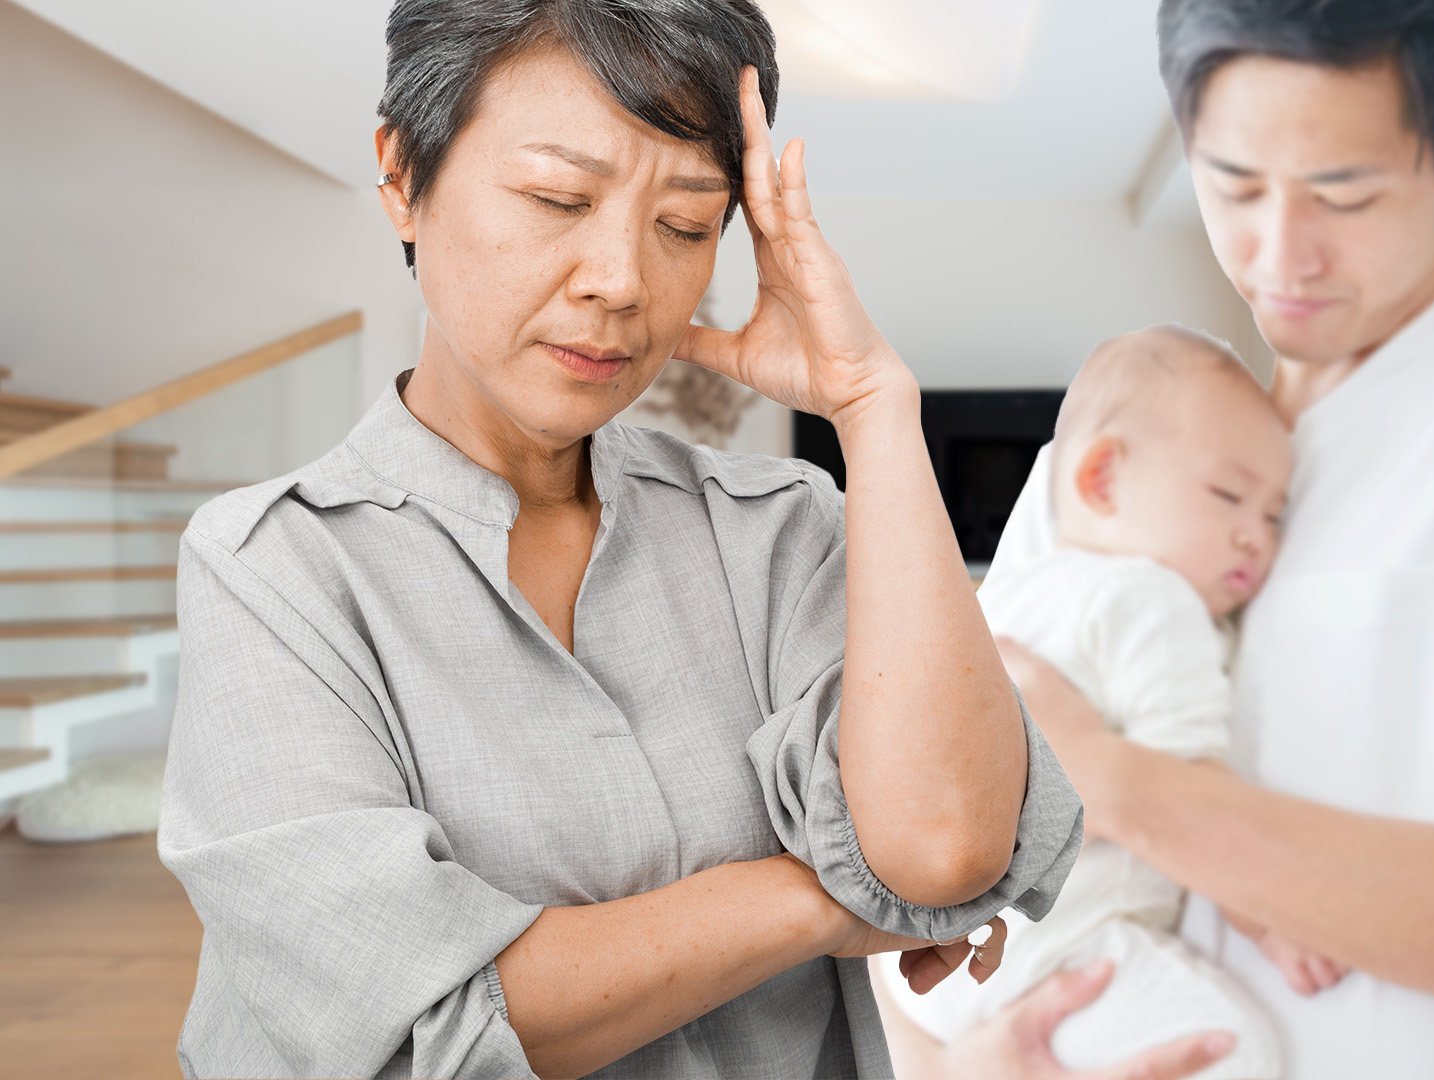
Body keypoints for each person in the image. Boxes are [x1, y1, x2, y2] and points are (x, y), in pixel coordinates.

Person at [154, 2, 1082, 1077]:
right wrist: (822, 900)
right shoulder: (274, 567)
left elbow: (939, 853)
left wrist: (874, 407)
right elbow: (419, 1025)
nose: (623, 280)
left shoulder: (780, 529)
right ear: (404, 175)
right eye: (559, 198)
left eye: (687, 224)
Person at [877, 1, 1434, 1077]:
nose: (1280, 256)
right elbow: (921, 880)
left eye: (1344, 191)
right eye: (1235, 183)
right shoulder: (1127, 449)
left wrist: (1115, 785)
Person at [874, 326, 1292, 1079]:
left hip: (934, 974)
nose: (1254, 537)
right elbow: (1190, 798)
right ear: (1101, 479)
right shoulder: (1151, 596)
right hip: (1066, 950)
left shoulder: (999, 600)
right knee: (1240, 1052)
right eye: (1230, 495)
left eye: (1273, 515)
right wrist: (1274, 919)